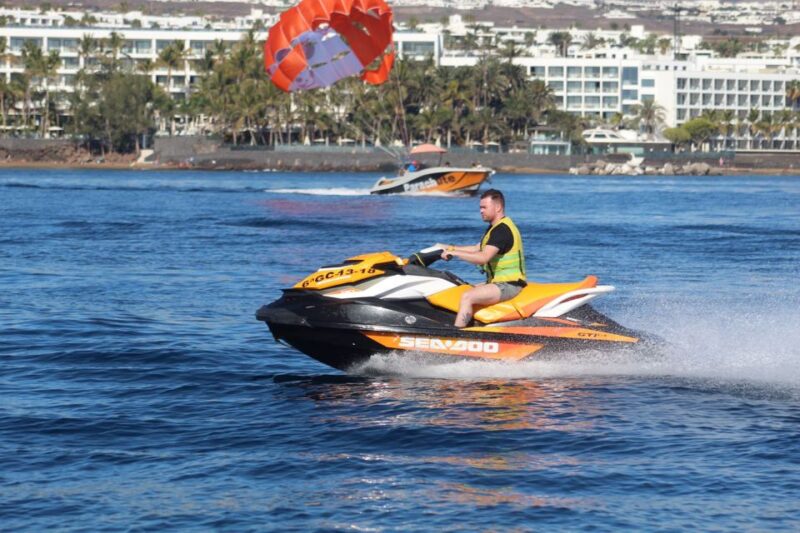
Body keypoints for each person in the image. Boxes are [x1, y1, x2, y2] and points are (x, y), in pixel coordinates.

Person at [435, 189, 526, 327]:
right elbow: (477, 248)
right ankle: (472, 326)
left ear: (498, 207)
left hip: (509, 285)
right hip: (499, 282)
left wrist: (455, 254)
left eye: (484, 207)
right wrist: (449, 248)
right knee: (459, 288)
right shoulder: (495, 227)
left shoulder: (502, 231)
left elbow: (483, 257)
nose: (481, 211)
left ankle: (457, 335)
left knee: (468, 296)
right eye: (480, 207)